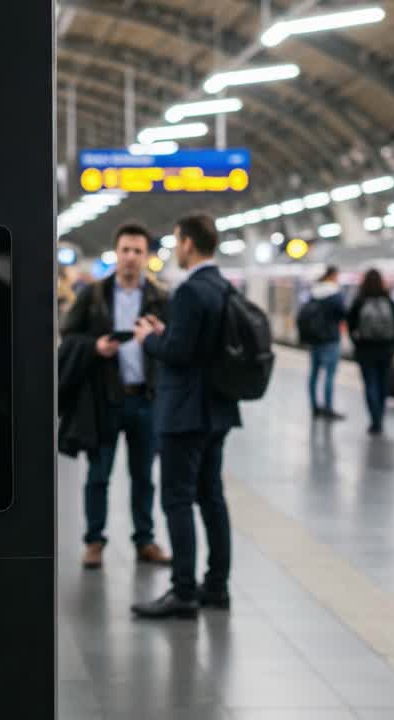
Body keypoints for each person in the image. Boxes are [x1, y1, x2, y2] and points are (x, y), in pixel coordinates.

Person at [131, 213, 239, 620]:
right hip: (217, 411)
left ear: (189, 244)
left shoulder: (191, 291)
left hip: (185, 414)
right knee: (212, 497)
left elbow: (178, 354)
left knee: (177, 499)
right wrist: (167, 334)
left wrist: (149, 340)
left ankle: (183, 592)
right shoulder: (222, 287)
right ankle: (216, 587)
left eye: (177, 241)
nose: (176, 249)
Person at [59, 222, 171, 570]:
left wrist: (161, 338)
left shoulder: (160, 298)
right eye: (126, 250)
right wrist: (95, 346)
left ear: (146, 256)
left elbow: (175, 348)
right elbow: (67, 339)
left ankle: (145, 540)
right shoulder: (93, 296)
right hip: (105, 399)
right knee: (98, 475)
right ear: (116, 253)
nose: (131, 257)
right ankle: (94, 541)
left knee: (143, 477)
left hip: (146, 400)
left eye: (138, 251)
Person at [347, 268, 394, 435]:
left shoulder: (360, 300)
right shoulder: (388, 299)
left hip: (365, 349)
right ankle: (380, 417)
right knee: (383, 384)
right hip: (386, 349)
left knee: (370, 384)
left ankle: (374, 420)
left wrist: (356, 341)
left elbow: (350, 323)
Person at [300, 265, 347, 420]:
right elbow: (342, 314)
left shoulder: (313, 293)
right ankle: (328, 407)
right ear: (333, 276)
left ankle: (314, 406)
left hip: (314, 340)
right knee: (329, 375)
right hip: (331, 339)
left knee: (313, 374)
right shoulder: (335, 294)